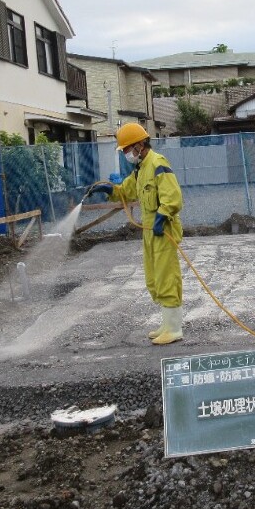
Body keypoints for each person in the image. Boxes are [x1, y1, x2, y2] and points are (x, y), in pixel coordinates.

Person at [88, 123, 184, 345]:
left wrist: (163, 215)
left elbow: (173, 196)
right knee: (154, 277)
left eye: (126, 149)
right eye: (123, 151)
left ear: (140, 145)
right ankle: (166, 323)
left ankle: (174, 328)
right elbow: (127, 190)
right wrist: (110, 190)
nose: (125, 154)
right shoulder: (140, 169)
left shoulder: (157, 163)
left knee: (166, 276)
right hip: (150, 231)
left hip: (163, 228)